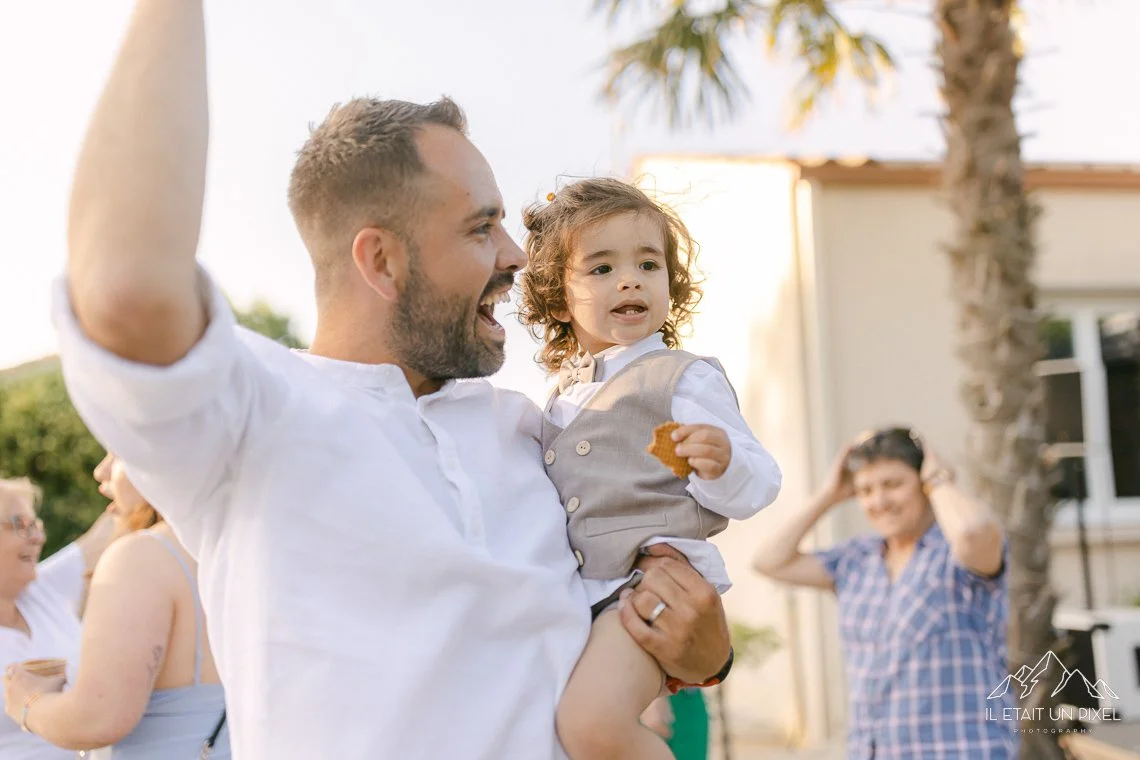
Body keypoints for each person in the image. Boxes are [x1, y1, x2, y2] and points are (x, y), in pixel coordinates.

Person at [50, 2, 734, 758]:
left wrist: (707, 651)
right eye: (481, 227)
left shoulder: (533, 430)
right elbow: (126, 289)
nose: (516, 255)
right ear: (379, 261)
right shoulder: (250, 419)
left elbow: (644, 606)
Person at [517, 178, 781, 759]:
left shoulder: (682, 379)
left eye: (647, 263)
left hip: (644, 588)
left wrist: (723, 462)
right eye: (602, 268)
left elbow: (758, 485)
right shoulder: (559, 399)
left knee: (590, 725)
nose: (630, 279)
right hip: (582, 596)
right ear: (558, 298)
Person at [751, 427, 1018, 759]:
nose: (879, 502)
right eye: (865, 490)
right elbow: (769, 561)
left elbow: (973, 530)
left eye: (892, 484)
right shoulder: (856, 560)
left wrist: (939, 479)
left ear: (922, 483)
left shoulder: (959, 554)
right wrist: (828, 495)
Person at [3, 454, 229, 759]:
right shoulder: (220, 550)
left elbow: (99, 717)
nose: (100, 471)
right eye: (20, 525)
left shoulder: (137, 558)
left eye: (118, 451)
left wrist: (27, 702)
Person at [0, 477, 117, 760]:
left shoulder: (43, 589)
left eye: (36, 525)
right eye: (21, 526)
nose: (39, 538)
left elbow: (117, 525)